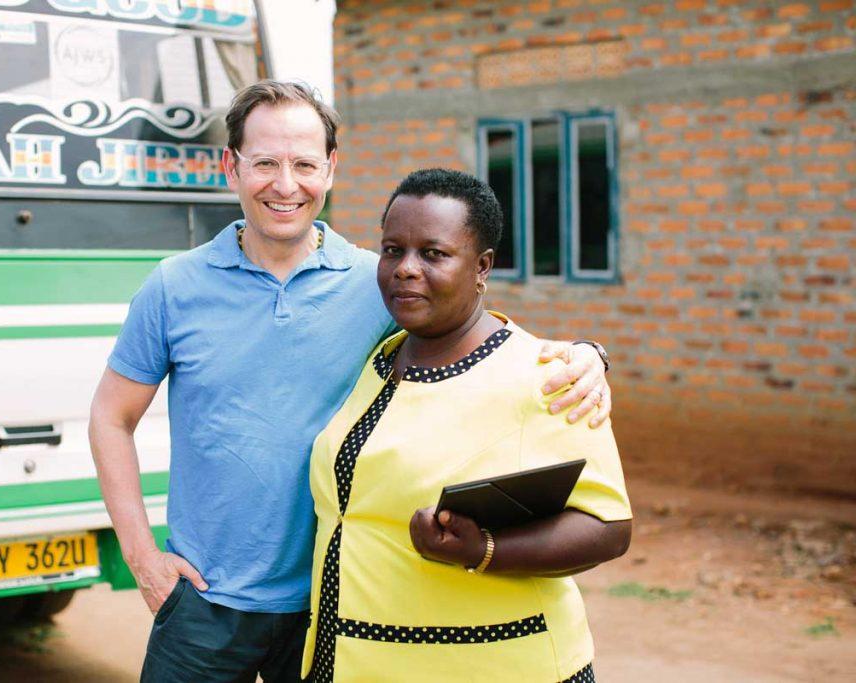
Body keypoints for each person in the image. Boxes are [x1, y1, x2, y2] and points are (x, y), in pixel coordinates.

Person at [88, 81, 613, 682]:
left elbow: (480, 338)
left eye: (305, 164)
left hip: (335, 605)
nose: (286, 185)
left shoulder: (381, 281)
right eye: (265, 163)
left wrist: (588, 354)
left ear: (331, 169)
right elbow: (111, 417)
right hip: (205, 603)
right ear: (229, 165)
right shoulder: (173, 286)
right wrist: (142, 558)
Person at [302, 169, 632, 682]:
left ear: (481, 267)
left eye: (433, 254)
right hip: (353, 660)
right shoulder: (380, 361)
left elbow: (608, 526)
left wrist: (484, 551)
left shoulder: (547, 376)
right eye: (392, 250)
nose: (405, 269)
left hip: (487, 664)